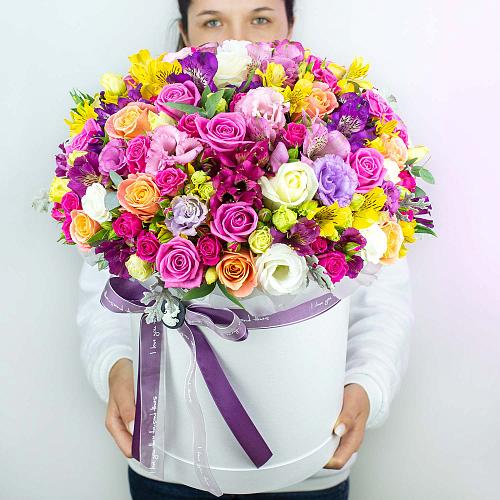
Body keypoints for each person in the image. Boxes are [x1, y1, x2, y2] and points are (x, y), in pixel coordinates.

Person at [76, 1, 414, 499]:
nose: (235, 40)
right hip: (170, 458)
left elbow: (381, 298)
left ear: (291, 27)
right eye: (212, 21)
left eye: (260, 18)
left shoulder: (331, 133)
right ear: (185, 33)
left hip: (309, 460)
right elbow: (108, 291)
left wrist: (367, 387)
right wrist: (116, 368)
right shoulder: (143, 136)